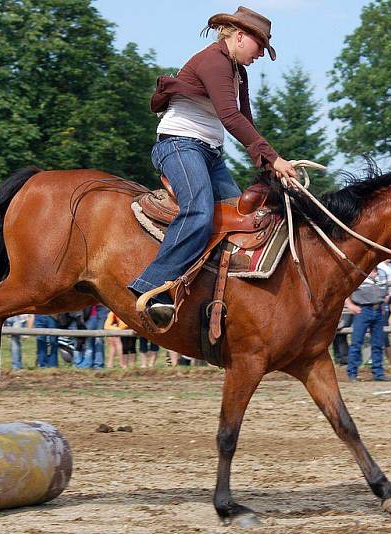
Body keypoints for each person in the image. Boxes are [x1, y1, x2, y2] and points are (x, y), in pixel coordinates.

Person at [127, 6, 298, 326]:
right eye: (260, 47)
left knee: (239, 218)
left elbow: (245, 120)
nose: (261, 54)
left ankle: (212, 295)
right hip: (178, 145)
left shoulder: (238, 72)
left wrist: (267, 167)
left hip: (210, 154)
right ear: (240, 36)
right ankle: (150, 287)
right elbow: (229, 117)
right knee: (199, 210)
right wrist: (273, 157)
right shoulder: (213, 62)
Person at [345, 270, 388, 381]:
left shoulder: (382, 274)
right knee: (356, 342)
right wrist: (350, 305)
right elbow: (345, 290)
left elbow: (386, 291)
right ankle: (352, 373)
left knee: (378, 343)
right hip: (363, 310)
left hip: (378, 310)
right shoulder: (358, 273)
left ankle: (378, 373)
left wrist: (382, 303)